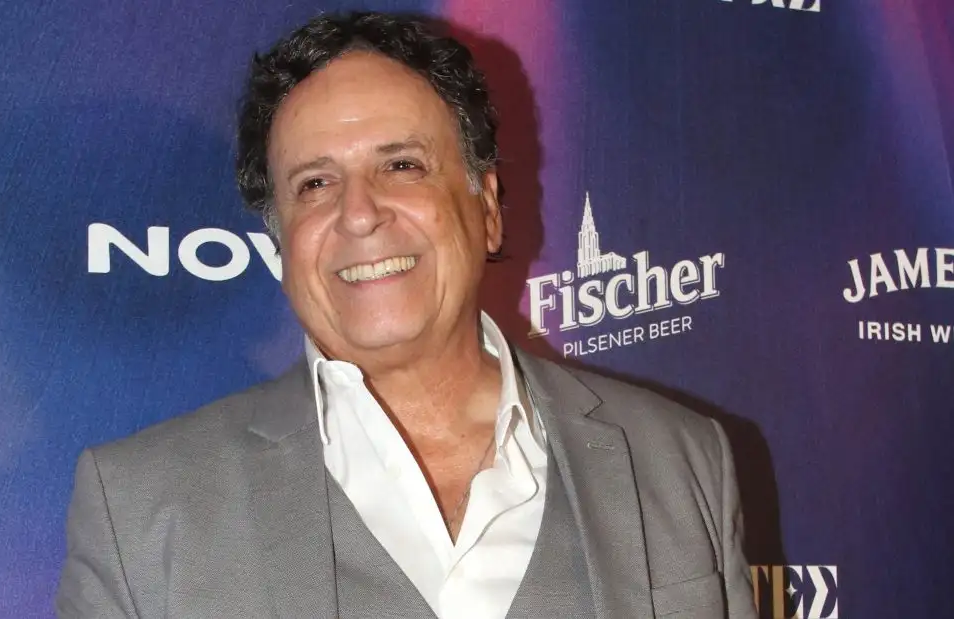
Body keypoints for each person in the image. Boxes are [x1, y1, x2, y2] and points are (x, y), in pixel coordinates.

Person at [57, 12, 757, 619]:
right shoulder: (142, 510)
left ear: (487, 207)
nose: (359, 213)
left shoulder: (680, 462)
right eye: (315, 182)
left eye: (401, 166)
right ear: (281, 240)